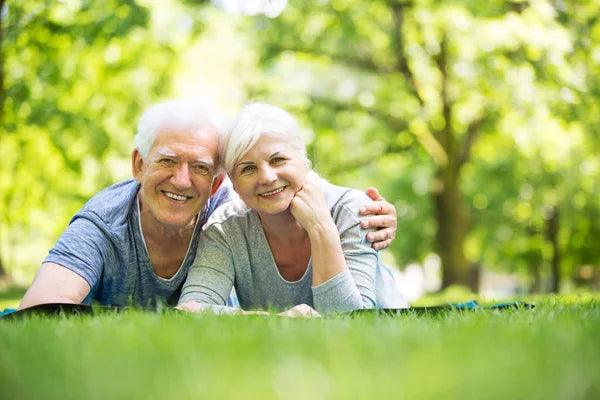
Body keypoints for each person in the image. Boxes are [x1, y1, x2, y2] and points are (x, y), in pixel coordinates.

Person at [18, 99, 399, 310]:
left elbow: (354, 325)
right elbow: (38, 312)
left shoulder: (350, 210)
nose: (183, 181)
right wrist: (273, 322)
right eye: (167, 161)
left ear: (217, 181)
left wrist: (333, 224)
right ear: (139, 164)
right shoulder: (105, 225)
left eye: (200, 167)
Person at [178, 103, 407, 315]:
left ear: (303, 161)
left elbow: (351, 321)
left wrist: (321, 229)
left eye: (278, 160)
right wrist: (277, 320)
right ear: (234, 184)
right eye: (248, 169)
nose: (267, 178)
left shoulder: (352, 211)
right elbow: (191, 311)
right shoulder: (227, 228)